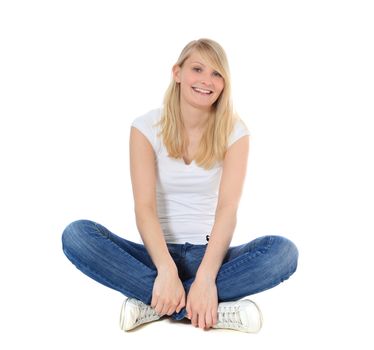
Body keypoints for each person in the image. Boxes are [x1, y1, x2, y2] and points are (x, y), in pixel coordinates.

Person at [61, 38, 298, 333]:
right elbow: (144, 207)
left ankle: (156, 304)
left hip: (210, 254)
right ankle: (207, 309)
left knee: (283, 253)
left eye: (216, 74)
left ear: (224, 83)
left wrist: (207, 277)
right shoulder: (146, 127)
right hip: (155, 253)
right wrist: (165, 269)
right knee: (77, 236)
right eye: (197, 69)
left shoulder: (235, 131)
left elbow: (228, 208)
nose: (206, 81)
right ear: (177, 73)